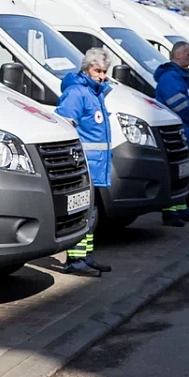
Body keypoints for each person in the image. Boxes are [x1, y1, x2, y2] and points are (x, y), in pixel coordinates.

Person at [56, 49, 114, 276]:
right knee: (82, 214)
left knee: (91, 214)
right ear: (86, 69)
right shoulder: (77, 93)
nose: (101, 76)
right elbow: (65, 126)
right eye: (97, 70)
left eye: (104, 71)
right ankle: (75, 260)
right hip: (84, 166)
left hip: (96, 165)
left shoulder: (95, 93)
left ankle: (85, 256)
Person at [154, 41, 189, 226]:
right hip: (177, 133)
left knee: (184, 174)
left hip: (187, 130)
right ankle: (170, 212)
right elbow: (180, 105)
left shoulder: (183, 77)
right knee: (175, 173)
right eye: (188, 54)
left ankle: (181, 208)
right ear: (177, 55)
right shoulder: (170, 78)